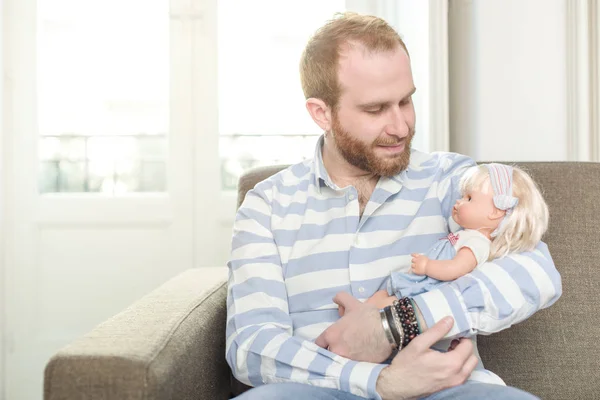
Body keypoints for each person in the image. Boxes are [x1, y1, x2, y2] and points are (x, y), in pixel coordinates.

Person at [225, 11, 561, 400]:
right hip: (315, 390)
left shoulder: (450, 181)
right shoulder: (268, 205)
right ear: (322, 113)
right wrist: (377, 381)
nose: (401, 126)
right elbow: (252, 346)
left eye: (406, 101)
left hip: (446, 389)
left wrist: (394, 324)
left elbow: (535, 273)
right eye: (375, 109)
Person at [385, 163, 550, 299]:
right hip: (421, 281)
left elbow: (455, 268)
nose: (459, 201)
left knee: (386, 304)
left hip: (428, 289)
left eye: (469, 198)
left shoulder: (477, 243)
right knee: (381, 298)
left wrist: (427, 266)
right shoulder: (466, 235)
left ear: (495, 212)